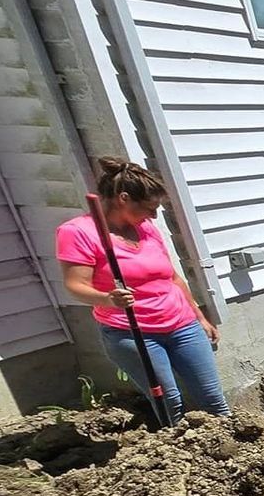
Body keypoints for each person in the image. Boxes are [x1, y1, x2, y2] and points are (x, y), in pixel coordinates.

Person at [56, 157, 228, 419]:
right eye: (150, 207)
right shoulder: (78, 232)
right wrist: (109, 298)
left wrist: (199, 317)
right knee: (169, 402)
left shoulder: (146, 228)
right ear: (123, 198)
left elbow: (171, 277)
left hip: (182, 325)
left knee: (213, 397)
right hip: (133, 333)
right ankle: (180, 455)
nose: (153, 215)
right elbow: (75, 285)